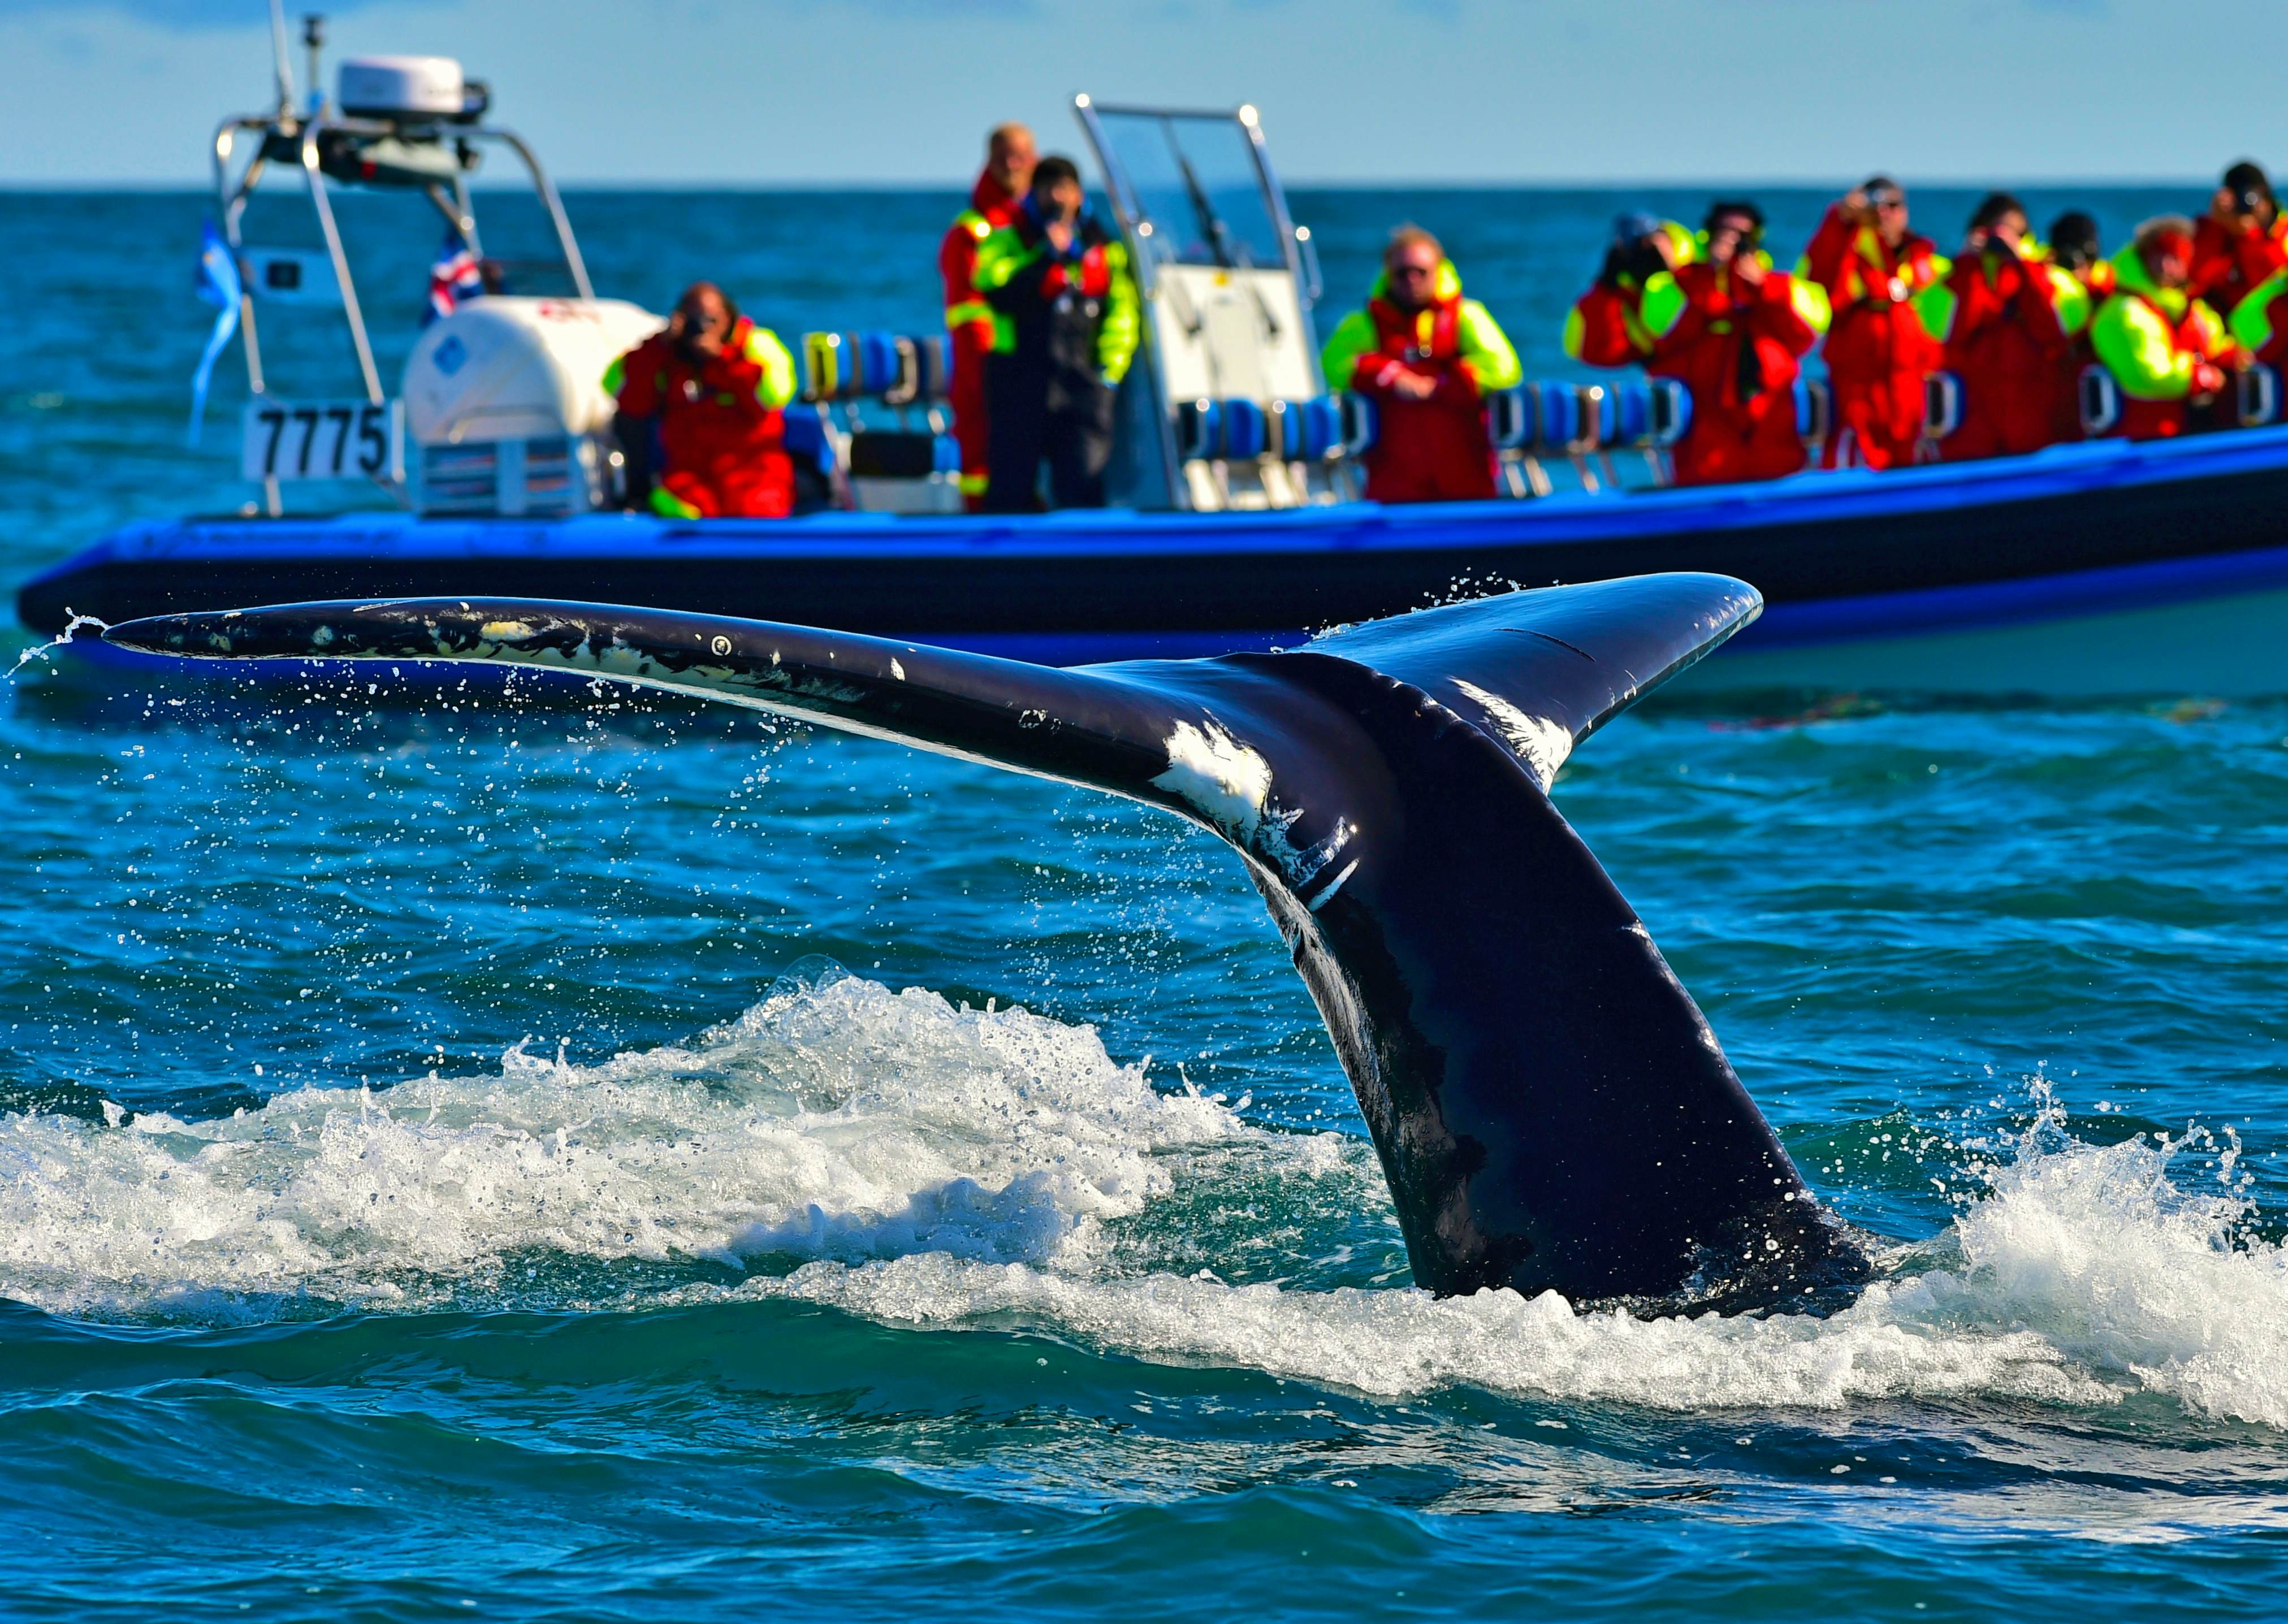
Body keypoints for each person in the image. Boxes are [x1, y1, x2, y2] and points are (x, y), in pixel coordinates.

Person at [972, 155, 1140, 512]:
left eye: (1065, 188)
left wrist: (1108, 373)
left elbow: (1123, 314)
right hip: (1019, 382)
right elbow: (997, 292)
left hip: (1081, 385)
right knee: (1009, 492)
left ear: (1079, 194)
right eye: (1048, 188)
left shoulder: (1103, 248)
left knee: (1082, 488)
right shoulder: (1008, 240)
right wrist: (1047, 255)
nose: (1057, 198)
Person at [1321, 225, 1523, 503]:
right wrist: (1389, 375)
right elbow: (1334, 365)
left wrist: (1441, 385)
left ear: (1438, 271)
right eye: (1402, 273)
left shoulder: (1467, 317)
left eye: (1421, 271)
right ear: (1388, 274)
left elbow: (1504, 368)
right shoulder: (1364, 324)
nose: (1412, 279)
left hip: (1467, 479)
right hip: (1393, 483)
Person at [1635, 200, 1825, 488]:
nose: (1733, 241)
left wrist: (1762, 288)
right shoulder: (1677, 284)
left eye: (1742, 236)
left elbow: (1805, 336)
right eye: (1724, 232)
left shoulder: (1780, 286)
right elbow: (1662, 335)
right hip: (1705, 437)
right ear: (1709, 235)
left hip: (1772, 432)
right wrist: (1709, 278)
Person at [605, 282, 799, 518]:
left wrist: (723, 360)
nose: (702, 329)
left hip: (753, 471)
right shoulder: (665, 356)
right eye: (693, 321)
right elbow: (622, 395)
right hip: (689, 476)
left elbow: (772, 398)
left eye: (711, 321)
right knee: (682, 513)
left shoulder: (754, 346)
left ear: (727, 318)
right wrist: (658, 348)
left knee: (757, 511)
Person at [1917, 193, 2079, 462]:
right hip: (1975, 423)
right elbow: (1941, 330)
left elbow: (2058, 330)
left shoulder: (2048, 275)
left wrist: (2023, 267)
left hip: (2034, 417)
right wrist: (1967, 265)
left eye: (2012, 232)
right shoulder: (1956, 276)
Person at [1801, 176, 1947, 468]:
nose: (1884, 213)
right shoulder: (1846, 256)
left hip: (1914, 415)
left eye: (1892, 205)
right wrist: (1841, 221)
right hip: (1858, 413)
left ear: (1905, 210)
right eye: (1876, 205)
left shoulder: (1930, 264)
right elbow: (1818, 280)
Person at [938, 123, 1037, 510]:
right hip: (987, 364)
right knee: (982, 451)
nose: (1013, 165)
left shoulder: (1043, 220)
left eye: (1021, 156)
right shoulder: (970, 232)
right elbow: (966, 314)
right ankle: (978, 530)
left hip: (1035, 362)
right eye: (1003, 157)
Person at [2088, 216, 2242, 440]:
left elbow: (2213, 342)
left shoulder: (2189, 306)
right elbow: (2149, 374)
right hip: (2141, 438)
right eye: (2158, 256)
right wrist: (2198, 377)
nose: (2164, 266)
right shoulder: (2125, 309)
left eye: (2174, 258)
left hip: (2185, 432)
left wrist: (2232, 357)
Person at [1563, 212, 1693, 367]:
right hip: (1662, 373)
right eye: (1635, 245)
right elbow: (1600, 354)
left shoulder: (1703, 269)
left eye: (1649, 243)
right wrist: (1606, 288)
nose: (1645, 251)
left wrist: (1675, 272)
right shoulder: (1624, 291)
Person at [2190, 161, 2288, 319]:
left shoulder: (2284, 233)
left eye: (2248, 197)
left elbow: (2277, 283)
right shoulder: (2222, 234)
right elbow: (2194, 281)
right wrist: (2214, 225)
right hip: (2233, 336)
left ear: (2264, 195)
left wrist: (2250, 237)